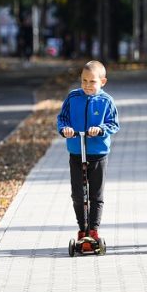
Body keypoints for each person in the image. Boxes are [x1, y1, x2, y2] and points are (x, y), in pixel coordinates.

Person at [56, 60, 120, 243]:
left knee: (95, 194)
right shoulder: (73, 97)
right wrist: (65, 129)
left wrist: (100, 129)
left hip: (98, 154)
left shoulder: (106, 101)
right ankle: (82, 228)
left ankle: (93, 229)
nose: (87, 85)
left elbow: (114, 124)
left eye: (92, 81)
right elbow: (63, 118)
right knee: (78, 193)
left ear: (103, 82)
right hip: (76, 152)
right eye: (84, 81)